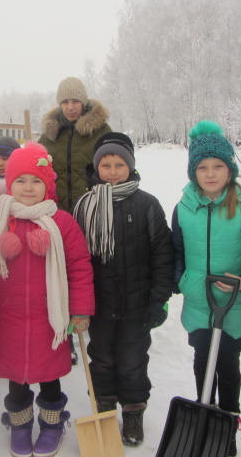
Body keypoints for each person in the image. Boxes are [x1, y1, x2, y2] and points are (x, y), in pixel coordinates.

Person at [0, 142, 95, 457]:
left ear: (47, 185)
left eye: (36, 181)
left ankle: (52, 424)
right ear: (9, 183)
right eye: (20, 180)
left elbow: (79, 268)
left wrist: (80, 311)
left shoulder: (62, 223)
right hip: (8, 319)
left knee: (49, 379)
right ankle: (20, 426)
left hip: (50, 320)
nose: (28, 187)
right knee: (16, 382)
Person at [171, 121, 241, 456]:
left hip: (232, 303)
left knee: (228, 366)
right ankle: (205, 422)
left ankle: (227, 423)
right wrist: (182, 279)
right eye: (202, 167)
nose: (210, 174)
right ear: (193, 172)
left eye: (218, 166)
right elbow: (177, 251)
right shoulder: (184, 208)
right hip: (199, 302)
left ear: (230, 169)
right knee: (202, 362)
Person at [73, 132, 174, 446]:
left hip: (137, 304)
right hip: (99, 303)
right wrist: (78, 303)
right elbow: (76, 259)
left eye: (119, 164)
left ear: (130, 166)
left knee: (133, 360)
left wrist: (158, 299)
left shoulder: (147, 205)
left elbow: (163, 254)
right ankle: (103, 405)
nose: (113, 171)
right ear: (96, 167)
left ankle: (132, 410)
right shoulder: (85, 206)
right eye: (106, 165)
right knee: (101, 357)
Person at [39, 76, 111, 212]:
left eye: (75, 101)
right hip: (56, 211)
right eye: (65, 102)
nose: (70, 107)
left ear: (83, 102)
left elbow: (117, 166)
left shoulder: (100, 131)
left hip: (91, 209)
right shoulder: (50, 134)